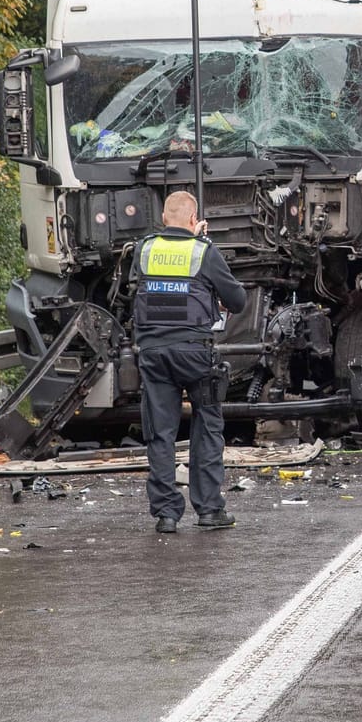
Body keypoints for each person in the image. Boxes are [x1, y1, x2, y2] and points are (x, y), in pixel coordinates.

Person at [131, 191, 247, 532]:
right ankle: (210, 511)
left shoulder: (145, 249)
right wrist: (202, 242)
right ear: (194, 219)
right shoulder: (203, 251)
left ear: (164, 219)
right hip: (196, 354)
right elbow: (237, 301)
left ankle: (167, 514)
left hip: (153, 353)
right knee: (207, 428)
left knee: (160, 433)